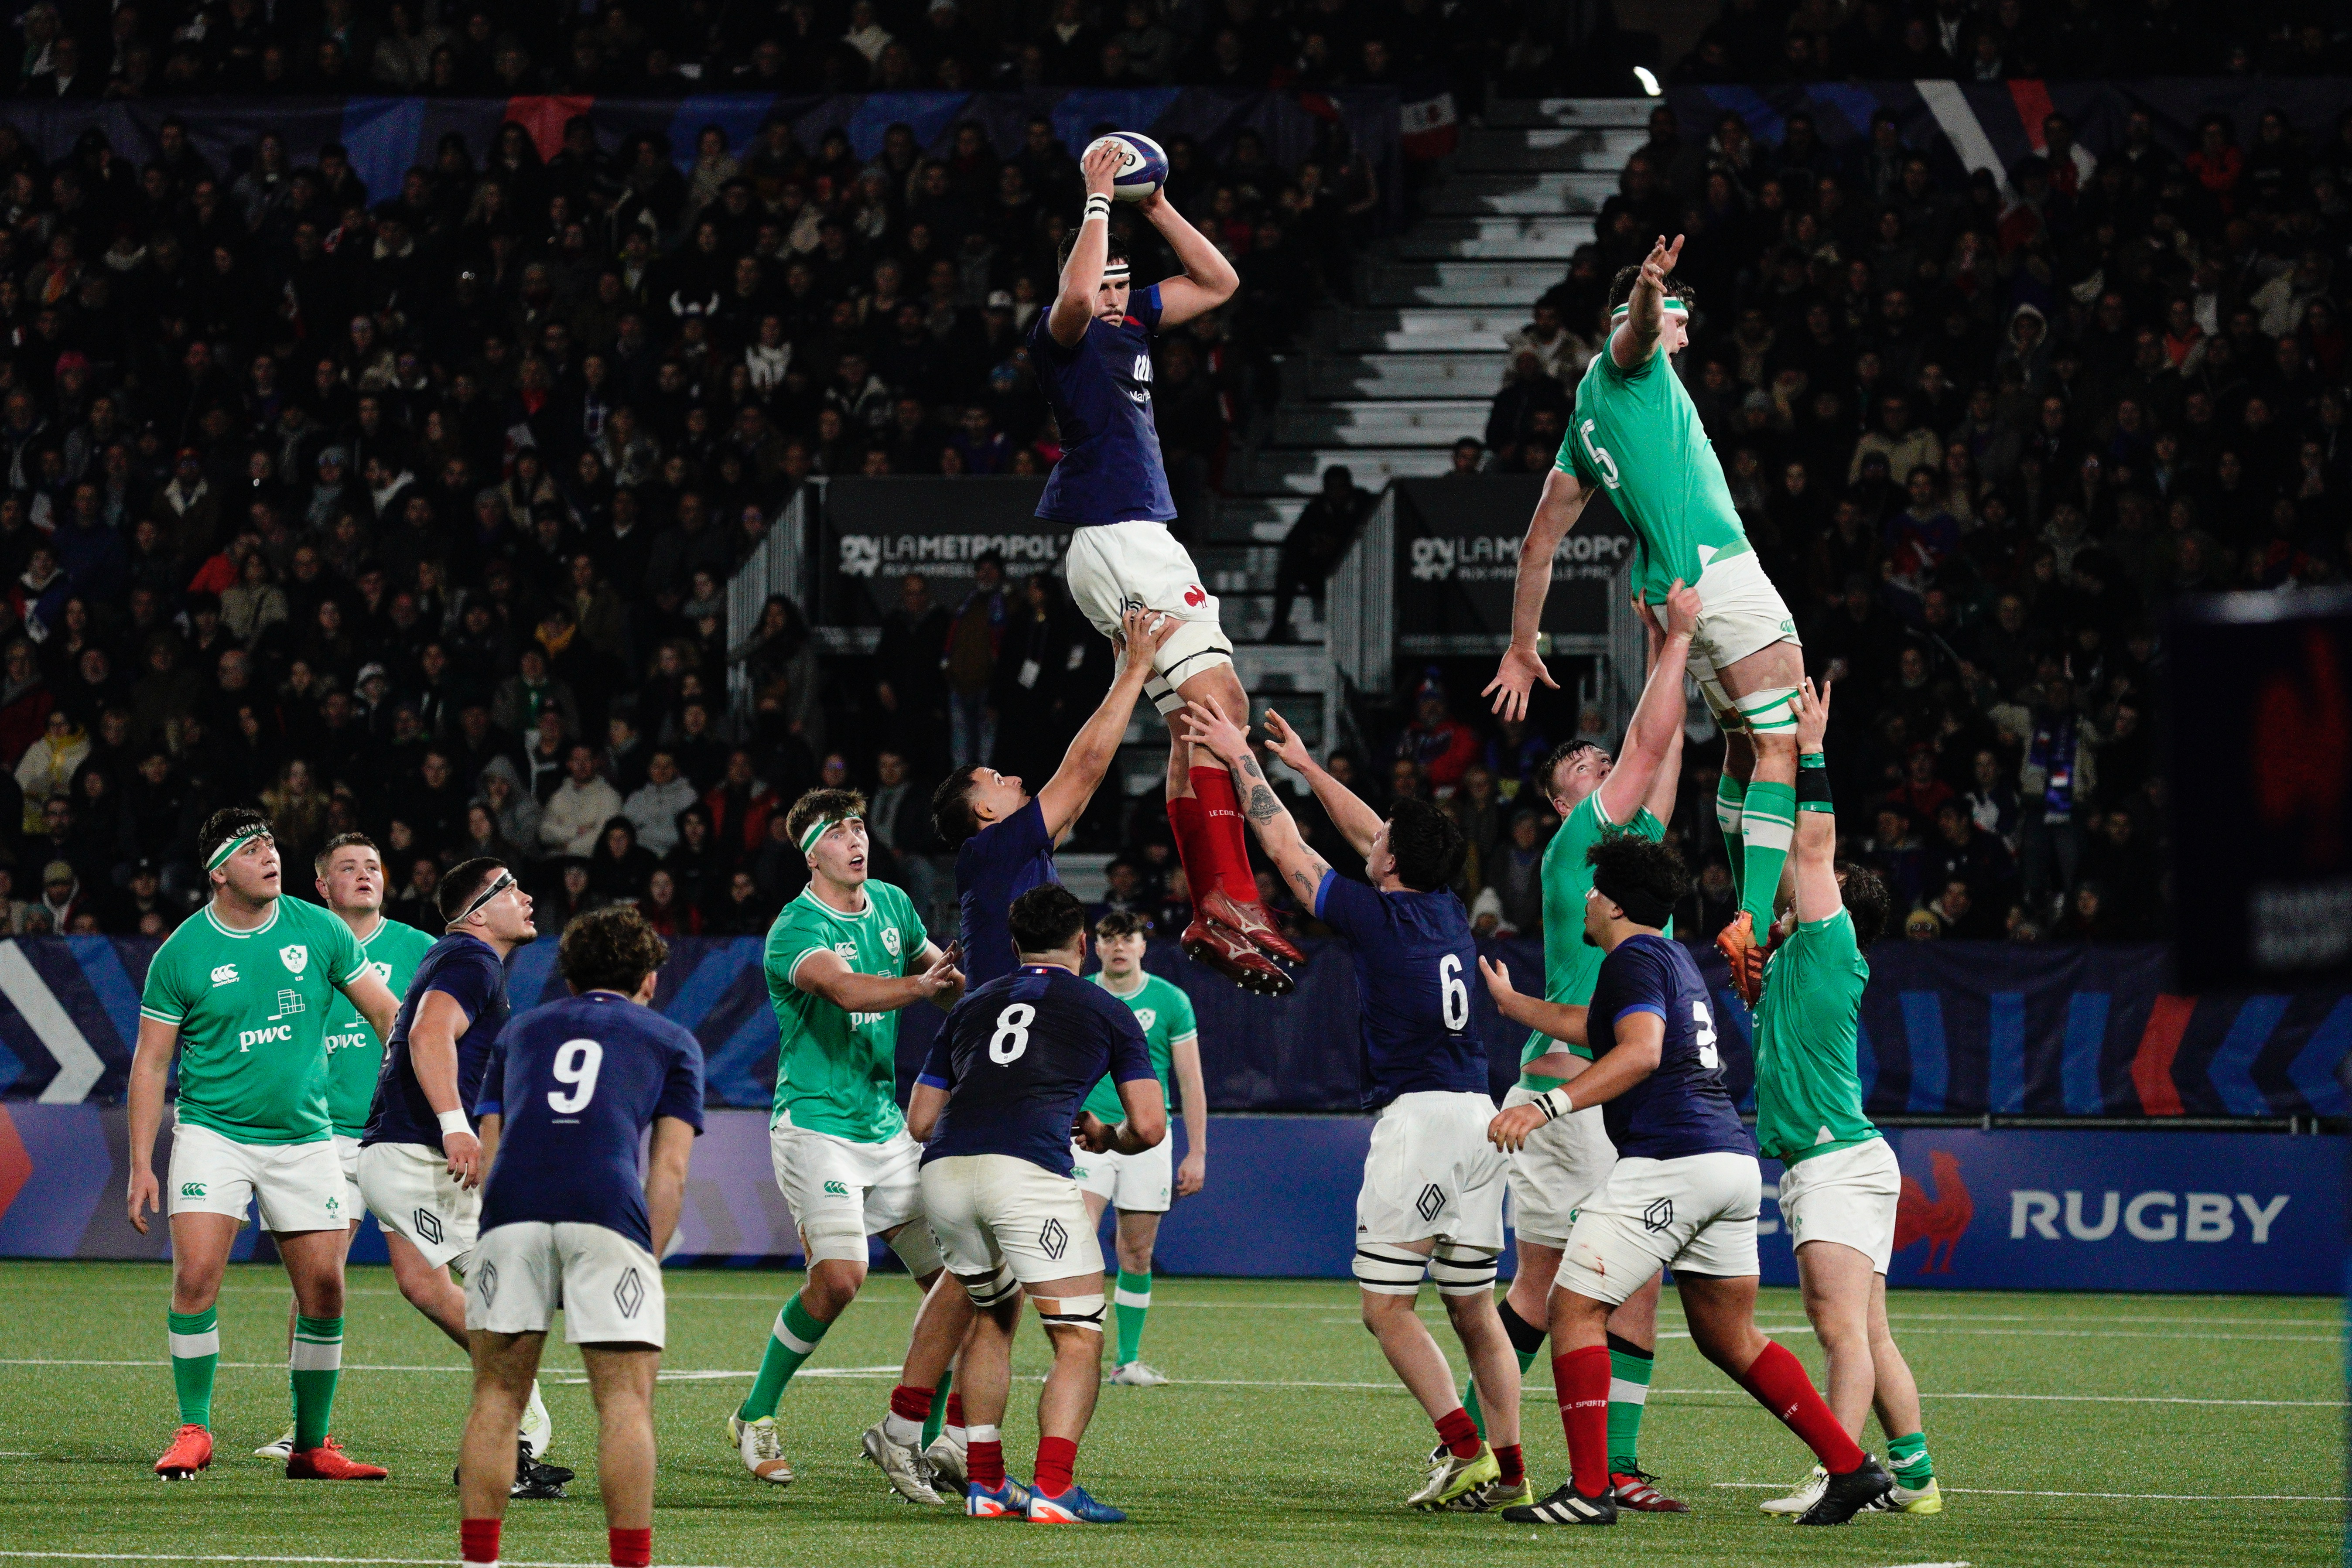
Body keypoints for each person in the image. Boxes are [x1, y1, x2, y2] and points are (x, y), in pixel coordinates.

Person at [1483, 835, 1895, 1527]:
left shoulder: (1634, 957)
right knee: (1729, 1335)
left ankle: (1589, 1489)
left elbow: (1640, 1050)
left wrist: (1545, 1105)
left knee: (1573, 1305)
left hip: (1672, 1158)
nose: (1586, 899)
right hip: (1728, 1163)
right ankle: (1852, 1467)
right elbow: (1596, 1027)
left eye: (1593, 890)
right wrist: (1514, 1002)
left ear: (1612, 902)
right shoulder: (1666, 956)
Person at [1179, 698, 1525, 1513]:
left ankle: (1467, 1450)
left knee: (1386, 1308)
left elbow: (1285, 847)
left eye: (1380, 845)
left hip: (1422, 1124)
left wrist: (1243, 759)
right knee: (1474, 1310)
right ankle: (1509, 1470)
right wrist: (1308, 767)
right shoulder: (1439, 902)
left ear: (1392, 863)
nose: (1370, 841)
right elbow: (1379, 832)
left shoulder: (1378, 915)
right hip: (1478, 1118)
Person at [1485, 235, 1806, 1002]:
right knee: (1783, 742)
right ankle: (1756, 916)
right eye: (1678, 320)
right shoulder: (1631, 366)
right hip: (1719, 570)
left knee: (1740, 744)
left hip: (1674, 592)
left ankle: (1763, 910)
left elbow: (1537, 546)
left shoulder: (1582, 422)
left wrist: (1522, 644)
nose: (1684, 336)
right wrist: (1649, 291)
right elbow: (1632, 332)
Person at [1454, 580, 1699, 1512]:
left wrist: (1656, 651)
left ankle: (1521, 1453)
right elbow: (1645, 745)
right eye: (1584, 766)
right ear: (1568, 802)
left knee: (1595, 1283)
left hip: (1610, 1099)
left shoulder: (1627, 856)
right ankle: (1491, 1448)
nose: (1604, 765)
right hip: (1572, 1102)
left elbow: (1663, 744)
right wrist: (1669, 643)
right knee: (1570, 1284)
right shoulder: (1576, 853)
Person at [1034, 139, 1296, 995]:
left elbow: (1218, 281)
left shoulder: (1134, 321)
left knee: (1205, 714)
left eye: (1122, 282)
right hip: (1114, 533)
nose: (1113, 294)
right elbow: (1074, 292)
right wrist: (1099, 198)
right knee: (1215, 704)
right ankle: (1227, 899)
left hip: (1138, 535)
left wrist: (1154, 209)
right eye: (1106, 282)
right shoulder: (1066, 337)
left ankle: (1218, 903)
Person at [871, 883, 1165, 1521]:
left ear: (1012, 945)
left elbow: (921, 1120)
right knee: (1079, 1337)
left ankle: (987, 1484)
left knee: (992, 1313)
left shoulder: (971, 1005)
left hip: (946, 1170)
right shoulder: (1105, 1007)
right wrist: (1104, 1134)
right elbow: (1149, 1125)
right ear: (1084, 942)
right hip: (1026, 1170)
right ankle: (1055, 1488)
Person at [126, 807, 403, 1480]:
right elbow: (151, 1063)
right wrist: (141, 1161)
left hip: (306, 1138)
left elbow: (387, 1013)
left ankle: (312, 1445)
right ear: (220, 871)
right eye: (252, 849)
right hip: (212, 1133)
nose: (270, 855)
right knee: (195, 1277)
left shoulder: (319, 928)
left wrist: (421, 1094)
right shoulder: (184, 952)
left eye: (272, 843)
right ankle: (194, 1428)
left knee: (326, 1290)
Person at [728, 786, 969, 1488]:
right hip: (815, 1126)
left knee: (957, 1281)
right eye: (839, 832)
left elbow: (939, 975)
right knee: (839, 1278)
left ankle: (918, 1436)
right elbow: (847, 990)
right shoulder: (794, 929)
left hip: (885, 1127)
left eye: (860, 826)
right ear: (812, 853)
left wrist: (977, 998)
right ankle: (756, 1413)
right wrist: (923, 988)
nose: (856, 840)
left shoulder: (892, 903)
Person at [456, 905, 705, 1568]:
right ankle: (630, 1561)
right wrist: (642, 1258)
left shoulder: (521, 1031)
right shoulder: (673, 1038)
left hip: (511, 1208)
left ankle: (477, 1561)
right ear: (649, 976)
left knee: (497, 1396)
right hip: (606, 1207)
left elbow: (492, 1144)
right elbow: (670, 1169)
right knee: (624, 1400)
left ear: (569, 976)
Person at [1750, 680, 1940, 1518]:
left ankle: (1841, 1474)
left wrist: (1806, 750)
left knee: (1840, 1333)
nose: (1792, 877)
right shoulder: (1788, 959)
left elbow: (1812, 845)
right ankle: (1919, 1480)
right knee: (1870, 1331)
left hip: (1834, 1162)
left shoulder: (1829, 947)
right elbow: (1765, 853)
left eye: (1803, 879)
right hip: (1841, 1160)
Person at [356, 854, 566, 1494]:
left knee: (428, 1284)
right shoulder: (471, 959)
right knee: (511, 1295)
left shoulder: (456, 959)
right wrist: (454, 1121)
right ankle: (516, 1438)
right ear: (479, 912)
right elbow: (424, 1034)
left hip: (395, 1153)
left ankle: (509, 1433)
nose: (527, 897)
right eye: (512, 888)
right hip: (418, 1155)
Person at [253, 834, 438, 1462]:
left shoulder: (421, 950)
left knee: (432, 1281)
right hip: (319, 1137)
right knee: (318, 1278)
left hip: (399, 1136)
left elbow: (463, 1035)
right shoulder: (290, 947)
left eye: (374, 866)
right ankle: (306, 1427)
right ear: (322, 887)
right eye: (348, 868)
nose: (365, 875)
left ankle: (522, 1398)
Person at [930, 606, 1186, 987]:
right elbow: (1083, 770)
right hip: (1013, 1020)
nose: (1015, 779)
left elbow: (1082, 792)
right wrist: (1136, 668)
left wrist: (1123, 677)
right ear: (983, 809)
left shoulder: (1010, 857)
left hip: (1020, 1017)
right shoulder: (991, 848)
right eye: (999, 779)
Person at [1074, 909, 1208, 1385]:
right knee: (1079, 1241)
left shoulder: (1171, 1000)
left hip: (1149, 1137)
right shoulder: (1081, 992)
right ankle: (1076, 1353)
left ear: (1141, 946)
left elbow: (1190, 1081)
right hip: (1087, 1137)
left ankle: (1126, 1361)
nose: (1118, 947)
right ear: (1096, 945)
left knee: (1136, 1252)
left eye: (1126, 938)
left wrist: (1197, 1152)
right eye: (1108, 938)